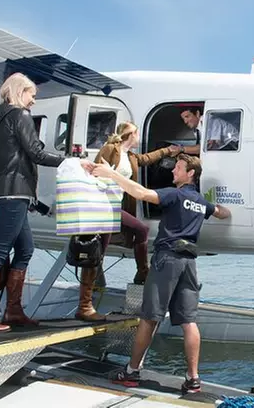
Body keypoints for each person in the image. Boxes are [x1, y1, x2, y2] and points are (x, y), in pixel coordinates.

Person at [0, 72, 94, 333]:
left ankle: (13, 310)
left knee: (25, 249)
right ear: (19, 91)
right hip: (17, 191)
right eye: (31, 95)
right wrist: (72, 162)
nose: (33, 100)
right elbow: (36, 153)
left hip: (4, 193)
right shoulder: (20, 115)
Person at [92, 154, 230, 393]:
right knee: (188, 321)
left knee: (149, 317)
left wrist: (111, 174)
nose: (173, 171)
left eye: (178, 168)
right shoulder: (200, 202)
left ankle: (131, 371)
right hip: (189, 263)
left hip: (167, 260)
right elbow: (222, 212)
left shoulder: (175, 195)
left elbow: (141, 193)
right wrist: (218, 207)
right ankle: (193, 379)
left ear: (190, 174)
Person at [75, 121, 180, 322]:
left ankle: (140, 274)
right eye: (137, 133)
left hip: (113, 207)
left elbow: (146, 159)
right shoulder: (110, 149)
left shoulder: (129, 156)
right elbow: (94, 173)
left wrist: (168, 150)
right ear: (131, 134)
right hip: (102, 205)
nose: (139, 137)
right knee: (109, 246)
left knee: (108, 248)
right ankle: (85, 305)